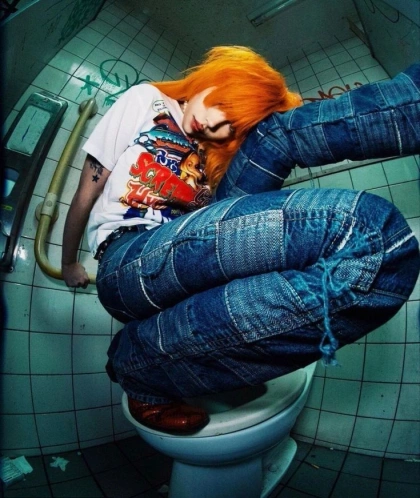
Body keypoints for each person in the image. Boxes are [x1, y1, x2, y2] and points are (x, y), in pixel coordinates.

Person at [62, 46, 420, 434]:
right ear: (217, 79)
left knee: (274, 133)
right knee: (374, 238)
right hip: (127, 259)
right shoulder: (146, 100)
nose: (212, 125)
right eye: (222, 107)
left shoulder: (214, 154)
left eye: (228, 128)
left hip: (188, 257)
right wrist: (68, 263)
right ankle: (141, 365)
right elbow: (85, 193)